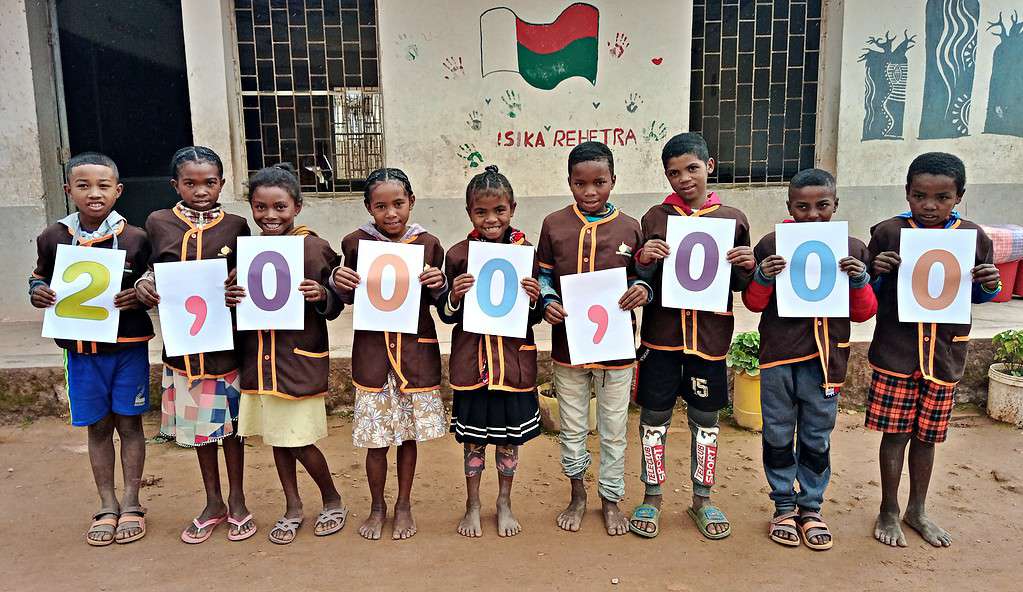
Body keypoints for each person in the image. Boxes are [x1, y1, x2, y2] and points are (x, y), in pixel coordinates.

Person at [866, 152, 1000, 548]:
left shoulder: (973, 238)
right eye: (919, 195)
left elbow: (979, 294)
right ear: (906, 192)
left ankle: (917, 509)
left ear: (959, 196)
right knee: (894, 435)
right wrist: (877, 272)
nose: (929, 205)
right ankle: (889, 508)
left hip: (943, 357)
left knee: (927, 438)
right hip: (897, 353)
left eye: (942, 197)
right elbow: (868, 292)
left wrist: (990, 283)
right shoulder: (888, 233)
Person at [742, 168, 877, 550]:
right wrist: (763, 276)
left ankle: (811, 507)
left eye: (822, 206)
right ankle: (784, 505)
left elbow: (864, 313)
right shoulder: (773, 245)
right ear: (789, 206)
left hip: (826, 362)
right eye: (802, 207)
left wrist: (859, 280)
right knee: (778, 434)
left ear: (836, 204)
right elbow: (753, 303)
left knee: (817, 436)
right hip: (778, 358)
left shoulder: (851, 249)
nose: (813, 214)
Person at [629, 132, 755, 540]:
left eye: (692, 169)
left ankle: (702, 497)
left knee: (706, 419)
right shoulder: (655, 218)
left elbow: (739, 284)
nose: (684, 179)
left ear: (709, 167)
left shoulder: (733, 219)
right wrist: (644, 260)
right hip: (661, 338)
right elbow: (642, 277)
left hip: (709, 341)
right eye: (674, 173)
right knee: (654, 417)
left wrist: (747, 265)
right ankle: (652, 496)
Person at [30, 152, 153, 546]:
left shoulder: (136, 238)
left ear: (118, 191)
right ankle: (107, 503)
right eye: (83, 186)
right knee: (97, 426)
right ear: (69, 190)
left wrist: (141, 293)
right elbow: (38, 277)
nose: (94, 193)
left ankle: (132, 501)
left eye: (103, 186)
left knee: (130, 424)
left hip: (127, 348)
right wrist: (38, 291)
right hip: (81, 351)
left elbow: (154, 281)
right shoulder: (53, 237)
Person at [134, 146, 256, 543]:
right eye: (190, 183)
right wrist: (145, 284)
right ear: (176, 185)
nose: (201, 191)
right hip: (184, 350)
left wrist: (239, 286)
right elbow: (150, 268)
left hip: (226, 347)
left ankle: (237, 500)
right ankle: (213, 501)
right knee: (203, 431)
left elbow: (246, 273)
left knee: (231, 429)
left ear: (222, 184)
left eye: (210, 182)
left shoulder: (236, 226)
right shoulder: (158, 222)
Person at [226, 164, 348, 544]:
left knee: (298, 440)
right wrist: (231, 295)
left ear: (297, 206)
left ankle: (332, 498)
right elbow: (242, 303)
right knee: (276, 438)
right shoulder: (248, 251)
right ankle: (292, 505)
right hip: (259, 360)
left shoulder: (314, 248)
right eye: (260, 207)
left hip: (296, 361)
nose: (270, 215)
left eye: (280, 207)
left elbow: (337, 298)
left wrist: (323, 294)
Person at [537, 141, 650, 536]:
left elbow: (641, 277)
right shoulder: (554, 224)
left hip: (617, 349)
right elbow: (544, 275)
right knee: (571, 427)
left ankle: (611, 498)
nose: (589, 191)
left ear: (613, 180)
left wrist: (642, 290)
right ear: (569, 182)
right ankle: (577, 494)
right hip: (568, 345)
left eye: (599, 182)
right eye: (580, 183)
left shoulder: (630, 227)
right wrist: (548, 300)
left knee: (614, 428)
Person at [331, 168, 447, 541]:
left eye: (398, 203)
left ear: (411, 202)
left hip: (414, 357)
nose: (391, 213)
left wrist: (440, 284)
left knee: (408, 437)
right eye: (381, 206)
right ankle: (377, 505)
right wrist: (338, 282)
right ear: (369, 207)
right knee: (376, 441)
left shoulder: (429, 244)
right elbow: (343, 295)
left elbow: (440, 300)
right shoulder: (355, 243)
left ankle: (404, 504)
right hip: (373, 357)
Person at [437, 165, 543, 538]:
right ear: (469, 213)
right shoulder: (458, 255)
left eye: (499, 210)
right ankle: (472, 504)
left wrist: (534, 299)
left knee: (509, 440)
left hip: (511, 366)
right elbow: (446, 314)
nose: (491, 219)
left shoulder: (526, 253)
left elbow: (535, 316)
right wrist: (453, 295)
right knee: (474, 441)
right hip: (473, 366)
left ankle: (504, 502)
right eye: (480, 212)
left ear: (512, 208)